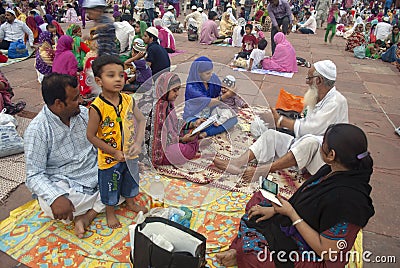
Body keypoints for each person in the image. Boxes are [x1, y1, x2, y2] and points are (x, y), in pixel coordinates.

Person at [215, 123, 375, 268]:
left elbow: (327, 254)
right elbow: (304, 201)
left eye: (323, 144)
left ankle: (239, 254)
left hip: (315, 256)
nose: (320, 147)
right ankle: (240, 253)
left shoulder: (348, 203)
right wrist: (276, 210)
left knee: (255, 257)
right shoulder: (332, 170)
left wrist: (292, 214)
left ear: (332, 154)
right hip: (300, 226)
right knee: (258, 202)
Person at [214, 60, 348, 180]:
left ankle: (262, 170)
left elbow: (311, 129)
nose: (307, 82)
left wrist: (280, 121)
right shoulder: (319, 97)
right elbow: (305, 125)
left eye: (309, 78)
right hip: (304, 145)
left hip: (323, 157)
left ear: (318, 80)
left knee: (310, 142)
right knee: (270, 135)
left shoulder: (336, 102)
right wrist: (276, 120)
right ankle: (237, 163)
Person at [24, 73, 105, 238]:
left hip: (96, 173)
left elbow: (99, 146)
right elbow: (34, 175)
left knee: (125, 176)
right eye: (75, 98)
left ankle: (88, 216)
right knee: (52, 205)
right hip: (68, 184)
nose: (81, 101)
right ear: (59, 104)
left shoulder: (83, 114)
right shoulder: (37, 130)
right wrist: (55, 198)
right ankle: (103, 201)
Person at [87, 55, 148, 228]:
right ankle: (110, 212)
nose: (118, 79)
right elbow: (91, 136)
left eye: (121, 75)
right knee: (110, 185)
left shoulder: (129, 100)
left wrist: (138, 143)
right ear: (99, 80)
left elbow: (142, 120)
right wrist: (113, 152)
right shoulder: (97, 107)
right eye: (111, 75)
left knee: (131, 179)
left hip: (130, 154)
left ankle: (130, 202)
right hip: (109, 160)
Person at [145, 72, 202, 167]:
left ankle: (191, 144)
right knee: (182, 151)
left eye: (178, 90)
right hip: (156, 151)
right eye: (174, 90)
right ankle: (191, 147)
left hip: (168, 140)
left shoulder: (167, 103)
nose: (177, 94)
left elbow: (173, 122)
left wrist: (192, 124)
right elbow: (158, 140)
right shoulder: (157, 108)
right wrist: (182, 139)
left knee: (193, 133)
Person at [183, 56, 238, 138]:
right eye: (207, 73)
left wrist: (229, 88)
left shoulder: (212, 78)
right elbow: (208, 103)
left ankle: (205, 133)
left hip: (211, 114)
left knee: (233, 119)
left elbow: (221, 88)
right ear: (198, 73)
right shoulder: (192, 87)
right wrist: (227, 95)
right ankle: (206, 131)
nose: (211, 75)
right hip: (194, 115)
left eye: (211, 72)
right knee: (199, 124)